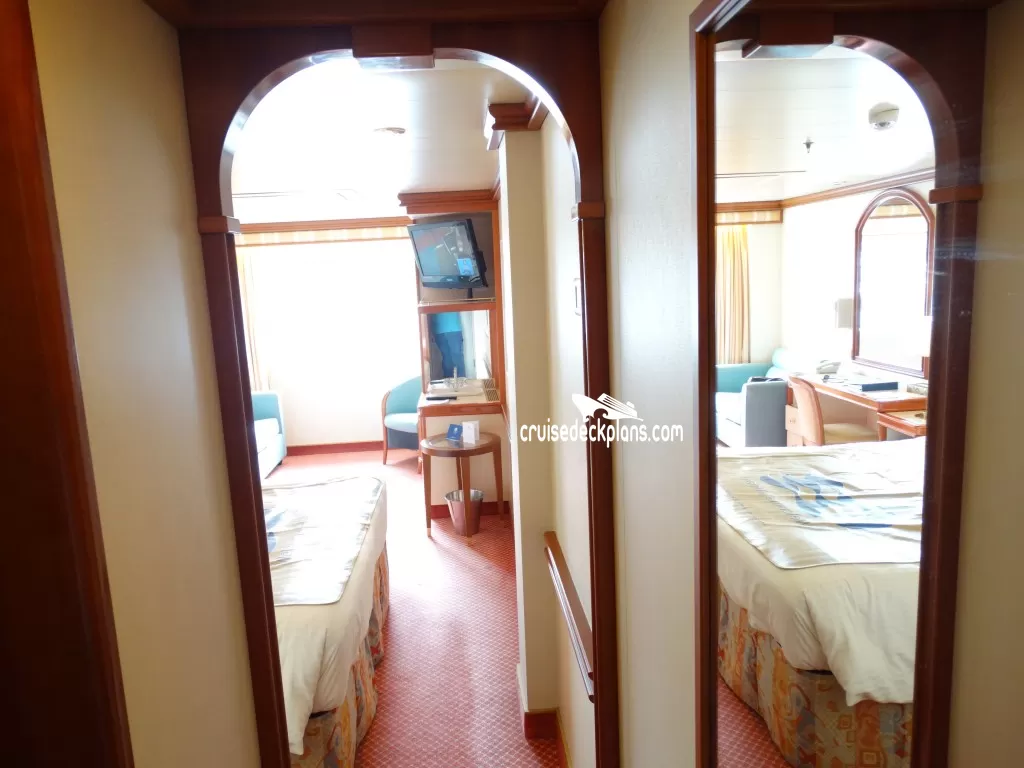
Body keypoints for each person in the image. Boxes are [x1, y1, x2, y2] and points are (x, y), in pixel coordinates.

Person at [428, 312, 466, 379]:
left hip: (453, 329)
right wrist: (430, 331)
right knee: (446, 359)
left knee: (457, 357)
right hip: (439, 330)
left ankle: (461, 381)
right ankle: (449, 382)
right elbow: (428, 313)